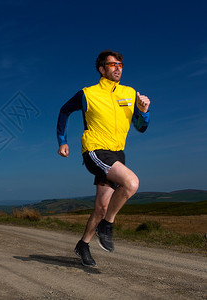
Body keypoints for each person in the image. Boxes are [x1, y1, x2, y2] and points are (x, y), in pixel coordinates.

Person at [56, 50, 150, 267]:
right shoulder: (87, 94)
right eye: (112, 64)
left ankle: (83, 244)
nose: (118, 68)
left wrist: (144, 111)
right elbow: (64, 110)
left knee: (101, 206)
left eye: (120, 65)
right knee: (131, 183)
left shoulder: (129, 93)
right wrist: (62, 141)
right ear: (101, 69)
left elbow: (141, 127)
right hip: (95, 151)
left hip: (117, 154)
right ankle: (107, 226)